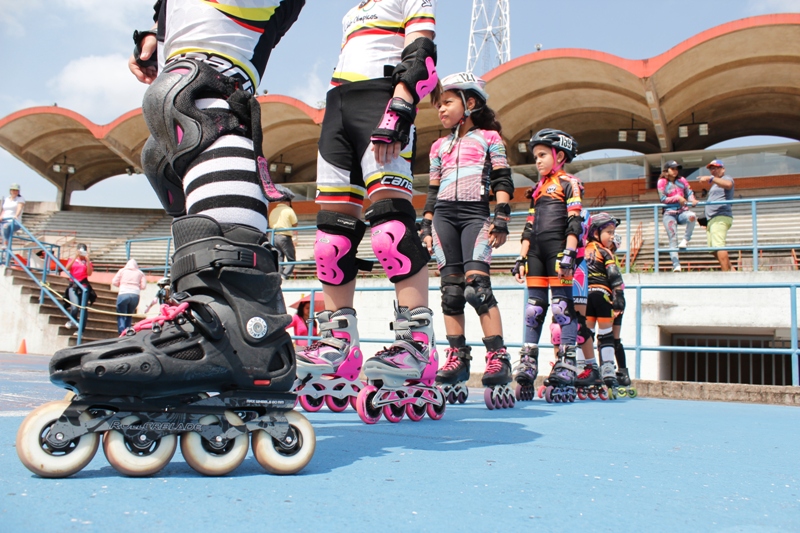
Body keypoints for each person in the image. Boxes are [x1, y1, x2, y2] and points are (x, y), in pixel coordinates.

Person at [297, 0, 440, 419]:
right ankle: (339, 343)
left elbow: (422, 51)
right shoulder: (354, 8)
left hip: (382, 98)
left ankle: (418, 344)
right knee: (329, 240)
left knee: (389, 230)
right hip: (338, 104)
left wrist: (402, 102)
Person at [422, 72, 515, 408]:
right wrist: (425, 225)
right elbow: (433, 191)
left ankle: (498, 356)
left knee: (477, 288)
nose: (440, 110)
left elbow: (503, 178)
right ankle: (458, 356)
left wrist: (502, 216)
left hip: (477, 215)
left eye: (447, 102)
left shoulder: (490, 138)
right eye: (438, 105)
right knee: (451, 293)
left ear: (470, 102)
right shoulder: (438, 146)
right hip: (444, 217)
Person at [512, 129, 584, 400]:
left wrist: (569, 253)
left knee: (561, 307)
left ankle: (567, 364)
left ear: (560, 156)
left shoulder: (569, 183)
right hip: (536, 254)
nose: (537, 161)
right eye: (535, 156)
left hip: (558, 252)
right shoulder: (537, 189)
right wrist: (521, 256)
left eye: (542, 155)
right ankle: (529, 362)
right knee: (534, 309)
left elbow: (574, 221)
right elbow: (529, 226)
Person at [578, 213, 626, 392]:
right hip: (603, 295)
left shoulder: (582, 249)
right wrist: (618, 296)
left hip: (586, 296)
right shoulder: (605, 252)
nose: (612, 236)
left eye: (613, 232)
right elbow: (614, 275)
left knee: (586, 334)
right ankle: (607, 370)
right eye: (608, 232)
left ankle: (584, 369)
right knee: (606, 335)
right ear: (595, 232)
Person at [658, 160, 698, 272]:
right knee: (673, 238)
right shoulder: (662, 182)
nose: (675, 171)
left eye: (676, 168)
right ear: (666, 170)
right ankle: (676, 265)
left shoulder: (682, 180)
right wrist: (677, 198)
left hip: (682, 211)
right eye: (672, 168)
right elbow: (663, 199)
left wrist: (693, 200)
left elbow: (689, 192)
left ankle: (686, 239)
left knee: (692, 216)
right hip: (669, 213)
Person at [698, 159, 734, 271]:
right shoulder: (715, 184)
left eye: (716, 168)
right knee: (713, 249)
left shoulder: (726, 178)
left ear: (723, 169)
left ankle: (726, 276)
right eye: (711, 169)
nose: (713, 170)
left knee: (718, 246)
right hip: (712, 219)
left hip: (720, 216)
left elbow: (728, 185)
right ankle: (732, 272)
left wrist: (711, 178)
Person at [64, 244, 96, 332]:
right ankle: (73, 320)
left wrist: (88, 260)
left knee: (83, 308)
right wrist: (75, 257)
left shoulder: (87, 262)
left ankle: (81, 329)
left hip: (84, 285)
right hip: (73, 285)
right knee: (74, 305)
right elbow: (67, 268)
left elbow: (89, 273)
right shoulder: (72, 260)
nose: (82, 254)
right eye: (80, 251)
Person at [111, 258, 147, 334]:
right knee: (129, 314)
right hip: (135, 295)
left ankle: (121, 331)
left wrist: (120, 285)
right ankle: (128, 331)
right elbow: (143, 286)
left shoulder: (122, 271)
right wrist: (137, 287)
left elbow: (114, 282)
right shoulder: (140, 273)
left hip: (123, 293)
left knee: (121, 314)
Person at [268, 190, 298, 280]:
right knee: (291, 258)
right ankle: (285, 275)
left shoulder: (273, 211)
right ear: (287, 202)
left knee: (279, 257)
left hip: (273, 236)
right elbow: (295, 223)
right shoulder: (288, 210)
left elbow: (270, 223)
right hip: (284, 236)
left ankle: (279, 274)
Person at [1, 183, 25, 249]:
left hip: (14, 221)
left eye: (16, 190)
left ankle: (6, 243)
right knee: (4, 231)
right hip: (4, 220)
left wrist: (16, 215)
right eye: (13, 190)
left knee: (5, 227)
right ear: (10, 191)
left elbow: (19, 208)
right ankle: (6, 251)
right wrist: (1, 216)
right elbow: (4, 209)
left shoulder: (20, 199)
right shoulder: (7, 199)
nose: (14, 192)